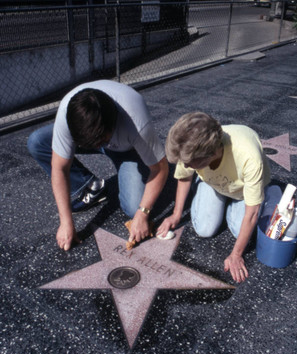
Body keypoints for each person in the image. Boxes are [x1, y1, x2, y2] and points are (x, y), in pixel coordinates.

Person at [27, 80, 168, 251]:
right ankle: (90, 186)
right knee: (37, 142)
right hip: (94, 133)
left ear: (113, 124)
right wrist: (66, 222)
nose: (96, 147)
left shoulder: (136, 122)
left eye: (101, 141)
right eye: (90, 144)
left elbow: (160, 168)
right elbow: (59, 168)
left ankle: (117, 155)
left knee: (133, 208)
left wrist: (142, 213)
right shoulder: (68, 113)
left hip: (128, 149)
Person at [157, 112, 271, 283]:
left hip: (242, 190)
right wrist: (176, 213)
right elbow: (185, 177)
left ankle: (269, 193)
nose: (185, 166)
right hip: (215, 183)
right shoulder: (188, 146)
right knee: (204, 229)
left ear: (210, 154)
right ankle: (211, 188)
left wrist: (236, 255)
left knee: (239, 230)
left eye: (189, 163)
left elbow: (252, 213)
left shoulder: (249, 156)